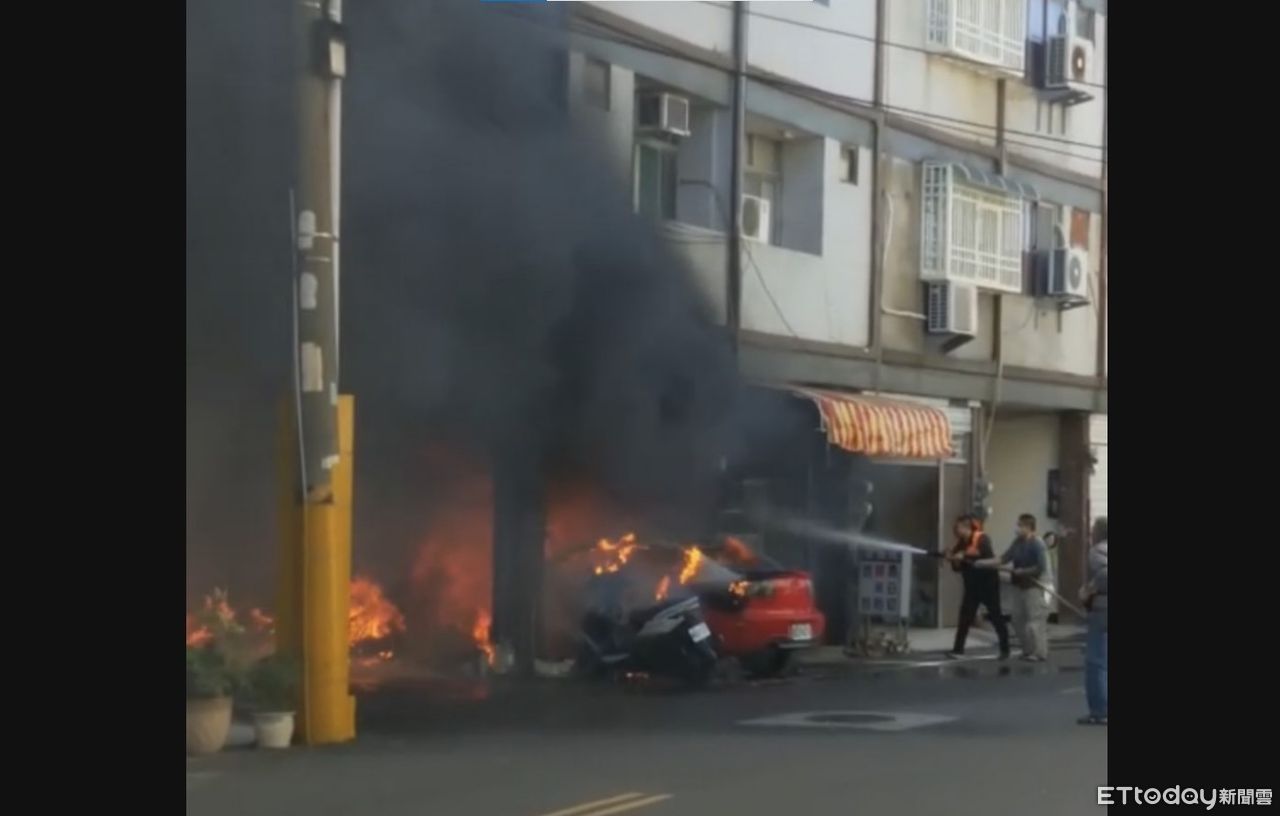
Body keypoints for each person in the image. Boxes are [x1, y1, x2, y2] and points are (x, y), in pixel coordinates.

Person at [977, 513, 1050, 662]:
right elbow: (1003, 559)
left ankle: (1039, 652)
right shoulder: (1017, 542)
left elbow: (1040, 567)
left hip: (1033, 587)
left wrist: (1024, 571)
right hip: (1018, 586)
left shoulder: (1038, 544)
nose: (1017, 528)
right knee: (1017, 620)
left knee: (1034, 621)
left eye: (1020, 525)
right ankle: (1027, 650)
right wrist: (983, 563)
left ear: (1029, 527)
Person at [944, 514, 1010, 660]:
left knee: (996, 616)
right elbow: (957, 567)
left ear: (965, 527)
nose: (955, 530)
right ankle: (958, 650)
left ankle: (1005, 649)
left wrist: (963, 555)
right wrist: (952, 559)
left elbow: (985, 555)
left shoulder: (981, 538)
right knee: (965, 618)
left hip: (988, 585)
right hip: (971, 586)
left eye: (957, 527)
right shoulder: (960, 543)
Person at [1078, 517, 1108, 725]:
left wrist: (1090, 588)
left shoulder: (1097, 551)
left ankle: (1099, 710)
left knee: (1095, 661)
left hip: (1102, 609)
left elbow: (1105, 574)